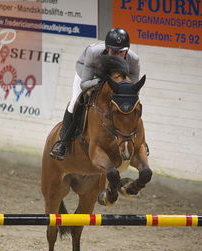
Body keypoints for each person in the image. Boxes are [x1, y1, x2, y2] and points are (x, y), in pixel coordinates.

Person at [50, 28, 140, 161]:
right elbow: (84, 83)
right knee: (75, 100)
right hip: (90, 76)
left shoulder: (134, 59)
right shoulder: (94, 53)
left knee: (132, 106)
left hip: (115, 81)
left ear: (126, 51)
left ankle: (140, 142)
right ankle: (63, 142)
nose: (117, 55)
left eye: (121, 52)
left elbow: (134, 89)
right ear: (107, 48)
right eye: (113, 51)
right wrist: (100, 82)